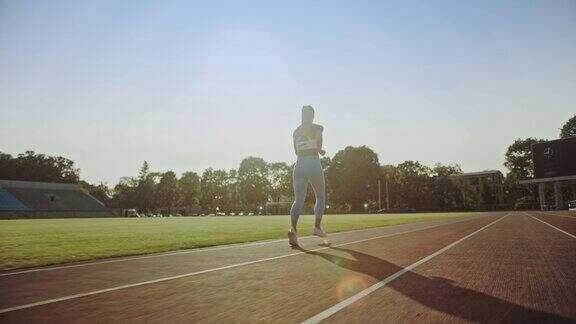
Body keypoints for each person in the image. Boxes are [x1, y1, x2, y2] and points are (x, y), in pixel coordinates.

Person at [288, 105, 327, 246]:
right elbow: (318, 144)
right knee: (320, 196)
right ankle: (317, 227)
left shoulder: (295, 132)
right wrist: (320, 150)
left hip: (299, 165)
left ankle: (293, 229)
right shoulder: (318, 128)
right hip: (313, 162)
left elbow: (296, 152)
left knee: (298, 200)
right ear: (312, 116)